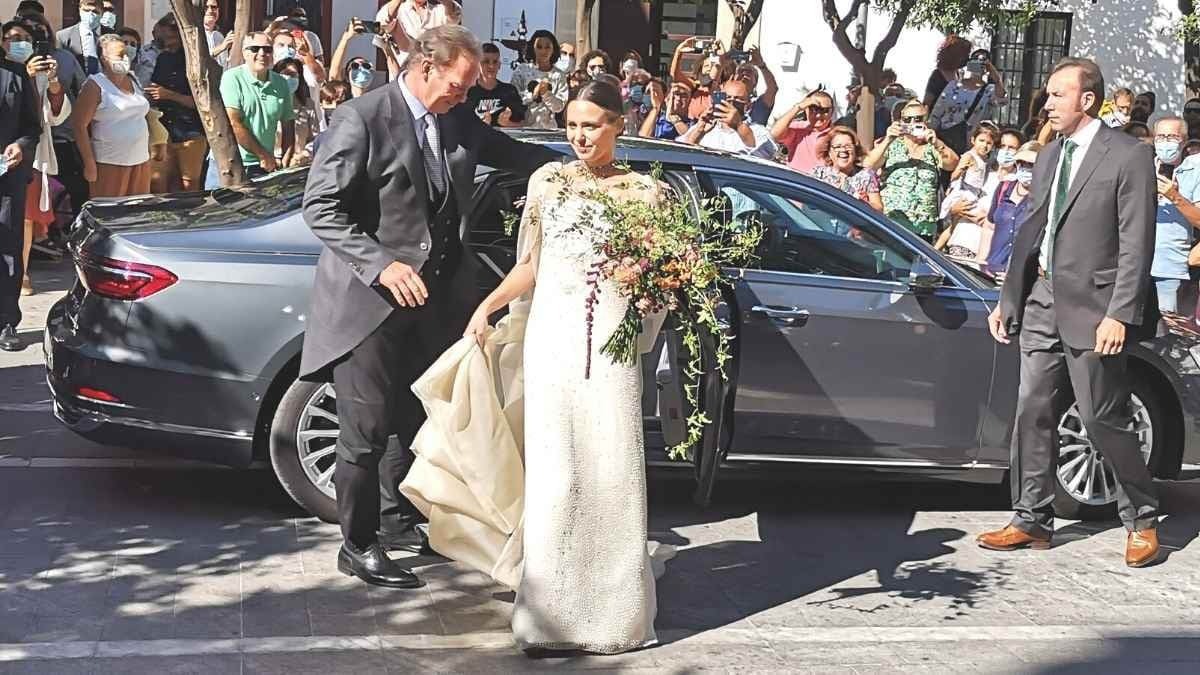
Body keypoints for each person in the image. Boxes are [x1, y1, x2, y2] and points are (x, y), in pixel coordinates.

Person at [299, 24, 558, 589]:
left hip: (432, 302)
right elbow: (320, 207)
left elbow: (509, 152)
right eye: (458, 87)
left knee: (410, 420)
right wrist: (381, 265)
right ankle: (357, 544)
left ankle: (395, 524)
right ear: (424, 67)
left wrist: (575, 168)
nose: (465, 98)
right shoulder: (363, 117)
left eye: (467, 91)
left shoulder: (455, 117)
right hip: (367, 306)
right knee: (364, 432)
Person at [453, 78, 667, 654]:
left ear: (619, 125)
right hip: (554, 340)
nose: (578, 136)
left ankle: (614, 617)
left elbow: (660, 281)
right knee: (557, 471)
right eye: (572, 125)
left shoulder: (646, 194)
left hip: (611, 346)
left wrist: (646, 286)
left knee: (609, 467)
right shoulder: (547, 182)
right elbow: (533, 265)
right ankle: (546, 619)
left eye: (591, 125)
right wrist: (488, 306)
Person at [981, 57, 1162, 568]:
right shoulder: (1048, 155)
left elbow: (1136, 243)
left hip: (1096, 309)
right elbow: (1032, 231)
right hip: (1041, 300)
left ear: (1087, 99)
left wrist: (1120, 313)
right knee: (1031, 409)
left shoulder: (1128, 155)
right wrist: (1010, 299)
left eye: (1058, 94)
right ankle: (1031, 518)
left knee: (1103, 417)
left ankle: (1143, 517)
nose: (1048, 103)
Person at [4, 18, 66, 298]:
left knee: (18, 227)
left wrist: (51, 79)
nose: (19, 44)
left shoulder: (23, 74)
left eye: (24, 39)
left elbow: (50, 117)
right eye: (13, 37)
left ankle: (11, 305)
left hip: (21, 163)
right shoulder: (15, 72)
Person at [863, 99, 959, 241]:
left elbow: (952, 164)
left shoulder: (933, 147)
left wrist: (936, 142)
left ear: (926, 120)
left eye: (918, 119)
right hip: (893, 222)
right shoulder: (892, 144)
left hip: (924, 226)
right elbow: (868, 165)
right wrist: (888, 139)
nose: (913, 124)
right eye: (907, 120)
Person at [0, 40, 42, 351]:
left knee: (8, 249)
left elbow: (32, 126)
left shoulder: (15, 74)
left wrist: (22, 145)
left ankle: (6, 322)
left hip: (7, 176)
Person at [72, 33, 150, 198]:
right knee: (110, 215)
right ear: (104, 59)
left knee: (137, 212)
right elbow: (79, 126)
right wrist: (89, 163)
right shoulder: (95, 85)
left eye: (126, 54)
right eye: (119, 55)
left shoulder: (134, 79)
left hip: (140, 160)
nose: (125, 58)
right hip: (109, 163)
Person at [218, 31, 295, 177]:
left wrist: (285, 160)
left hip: (266, 167)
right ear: (244, 53)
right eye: (254, 49)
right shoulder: (232, 78)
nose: (262, 53)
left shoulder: (281, 83)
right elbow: (233, 123)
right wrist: (263, 155)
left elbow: (288, 124)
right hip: (232, 163)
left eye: (267, 49)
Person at [144, 15, 206, 193]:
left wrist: (169, 95)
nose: (167, 44)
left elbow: (202, 102)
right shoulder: (163, 58)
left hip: (190, 131)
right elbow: (156, 87)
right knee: (159, 183)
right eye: (163, 40)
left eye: (170, 38)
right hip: (163, 130)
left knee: (189, 184)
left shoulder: (195, 62)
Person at [1149, 116, 1200, 313]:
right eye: (1160, 137)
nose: (1165, 142)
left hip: (1170, 267)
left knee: (1169, 333)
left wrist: (1174, 196)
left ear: (1184, 141)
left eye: (1172, 137)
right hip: (1135, 267)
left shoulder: (1194, 170)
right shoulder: (1141, 167)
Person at [936, 124, 999, 258]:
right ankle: (937, 248)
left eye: (989, 143)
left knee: (954, 225)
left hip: (975, 193)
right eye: (981, 141)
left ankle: (938, 248)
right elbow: (955, 174)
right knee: (964, 219)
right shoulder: (970, 156)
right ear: (973, 140)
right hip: (965, 192)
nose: (984, 146)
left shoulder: (986, 160)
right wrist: (959, 172)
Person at [929, 49, 1006, 154]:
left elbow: (1001, 100)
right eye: (975, 60)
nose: (978, 64)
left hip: (971, 142)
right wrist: (931, 132)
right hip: (945, 135)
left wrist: (996, 77)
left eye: (983, 62)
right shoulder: (954, 86)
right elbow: (937, 111)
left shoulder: (989, 90)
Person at [980, 141, 1039, 277]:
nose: (1025, 168)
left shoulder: (1043, 197)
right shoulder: (1004, 188)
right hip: (992, 270)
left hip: (1022, 276)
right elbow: (989, 226)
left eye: (1031, 165)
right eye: (1021, 163)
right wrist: (982, 261)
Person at [678, 77, 775, 159]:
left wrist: (738, 126)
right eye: (727, 98)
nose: (731, 102)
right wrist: (699, 131)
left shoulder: (758, 131)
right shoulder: (703, 127)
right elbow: (680, 153)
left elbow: (762, 154)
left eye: (738, 99)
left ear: (748, 105)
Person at [807, 125, 883, 212]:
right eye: (838, 147)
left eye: (848, 146)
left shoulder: (866, 175)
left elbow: (879, 208)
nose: (843, 150)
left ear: (855, 151)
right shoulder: (819, 174)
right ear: (829, 152)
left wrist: (862, 204)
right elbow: (808, 205)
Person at [511, 29, 567, 130]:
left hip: (549, 130)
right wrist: (533, 94)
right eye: (539, 47)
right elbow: (514, 99)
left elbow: (559, 106)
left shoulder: (559, 75)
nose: (543, 51)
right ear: (532, 48)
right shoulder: (522, 70)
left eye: (547, 47)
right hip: (524, 129)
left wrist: (546, 94)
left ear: (553, 49)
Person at [771, 89, 835, 173]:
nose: (818, 115)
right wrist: (798, 107)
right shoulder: (798, 128)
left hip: (820, 184)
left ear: (832, 111)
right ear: (806, 109)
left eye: (825, 110)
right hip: (797, 182)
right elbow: (775, 134)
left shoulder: (837, 135)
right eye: (814, 109)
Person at [466, 42, 525, 127]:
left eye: (495, 62)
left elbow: (523, 124)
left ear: (500, 65)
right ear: (477, 64)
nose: (491, 66)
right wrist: (479, 125)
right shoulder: (468, 91)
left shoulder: (509, 91)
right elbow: (458, 124)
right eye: (486, 61)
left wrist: (508, 123)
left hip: (502, 139)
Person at [274, 57, 317, 167]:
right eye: (285, 74)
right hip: (272, 163)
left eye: (293, 75)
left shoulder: (308, 105)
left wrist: (305, 154)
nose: (288, 78)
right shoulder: (267, 104)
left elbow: (315, 138)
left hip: (299, 164)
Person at [923, 35, 971, 110]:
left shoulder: (959, 74)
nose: (967, 58)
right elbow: (927, 103)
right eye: (964, 55)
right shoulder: (937, 75)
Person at [57, 0, 104, 75]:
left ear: (102, 13)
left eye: (95, 12)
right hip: (75, 84)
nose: (90, 14)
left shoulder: (111, 35)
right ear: (79, 10)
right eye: (86, 10)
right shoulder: (63, 36)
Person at [204, 0, 233, 68]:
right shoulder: (196, 34)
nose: (210, 10)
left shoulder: (218, 36)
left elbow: (224, 65)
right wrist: (222, 47)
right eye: (206, 7)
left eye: (213, 7)